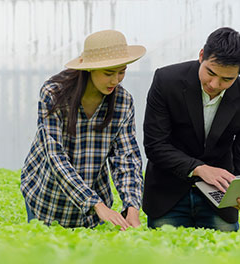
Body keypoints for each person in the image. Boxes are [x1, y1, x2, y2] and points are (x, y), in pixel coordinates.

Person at [142, 27, 240, 232]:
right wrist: (201, 169)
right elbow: (155, 145)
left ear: (239, 73)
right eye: (210, 72)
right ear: (201, 55)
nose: (214, 84)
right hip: (167, 196)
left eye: (227, 79)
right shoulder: (166, 81)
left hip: (219, 203)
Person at [20, 30, 146, 230]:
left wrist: (132, 206)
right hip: (47, 198)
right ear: (89, 69)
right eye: (108, 73)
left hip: (93, 210)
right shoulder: (53, 94)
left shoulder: (123, 102)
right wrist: (96, 204)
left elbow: (127, 157)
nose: (116, 80)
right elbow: (55, 156)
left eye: (121, 71)